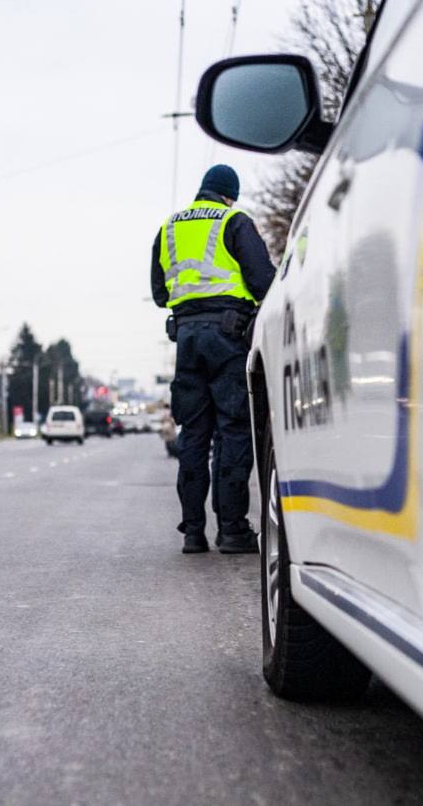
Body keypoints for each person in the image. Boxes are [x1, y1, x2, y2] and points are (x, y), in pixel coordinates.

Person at [151, 164, 275, 554]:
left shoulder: (169, 228)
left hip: (187, 339)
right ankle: (232, 530)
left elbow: (159, 294)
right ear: (229, 194)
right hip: (228, 338)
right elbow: (264, 281)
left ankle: (193, 532)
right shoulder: (234, 221)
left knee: (193, 434)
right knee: (233, 431)